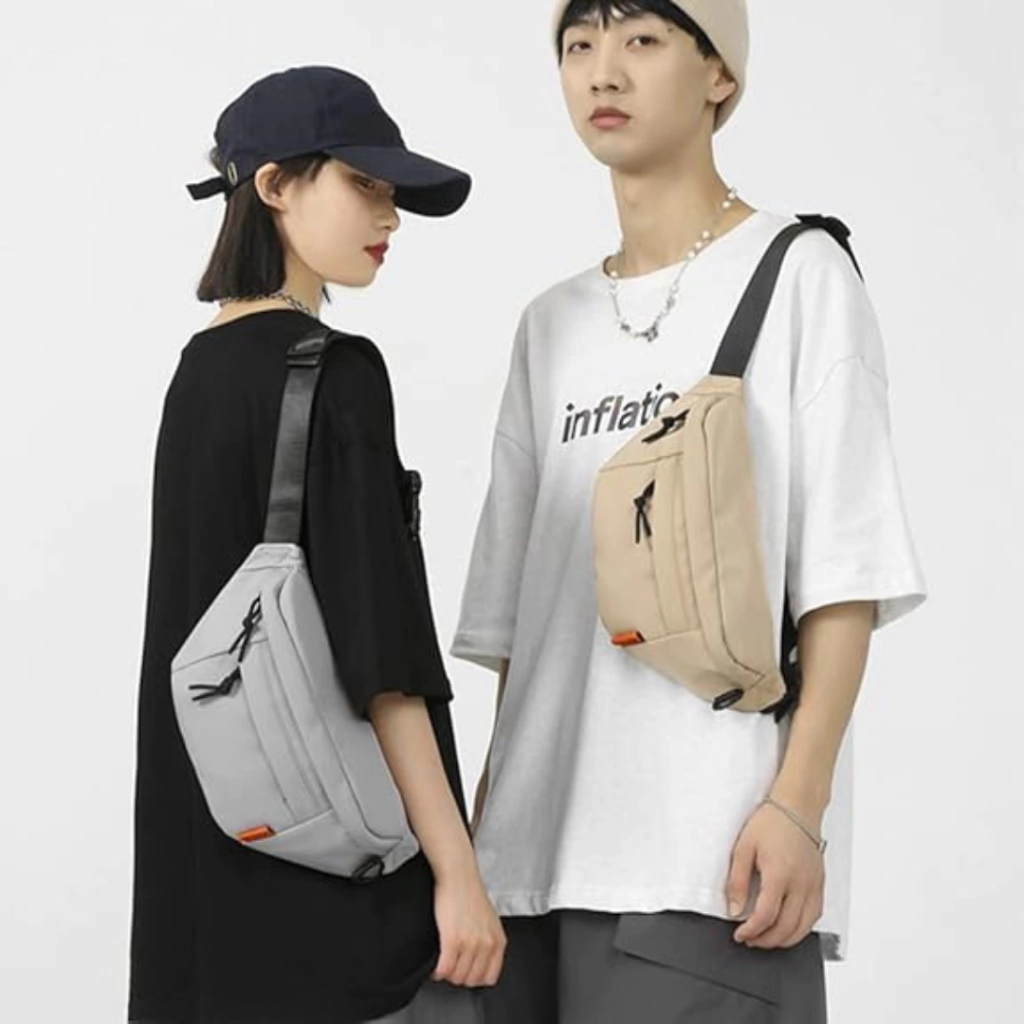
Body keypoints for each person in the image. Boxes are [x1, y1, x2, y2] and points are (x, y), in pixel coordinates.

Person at [451, 2, 926, 1022]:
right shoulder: (550, 326)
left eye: (642, 40)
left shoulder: (798, 275)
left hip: (706, 867)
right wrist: (482, 849)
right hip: (525, 884)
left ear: (718, 76)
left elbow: (845, 575)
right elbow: (520, 631)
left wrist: (798, 805)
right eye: (578, 45)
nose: (601, 72)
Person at [128, 65, 503, 1024]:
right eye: (364, 183)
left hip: (213, 886)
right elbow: (383, 657)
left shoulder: (196, 374)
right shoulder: (334, 373)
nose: (390, 215)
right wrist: (459, 873)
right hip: (342, 900)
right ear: (275, 185)